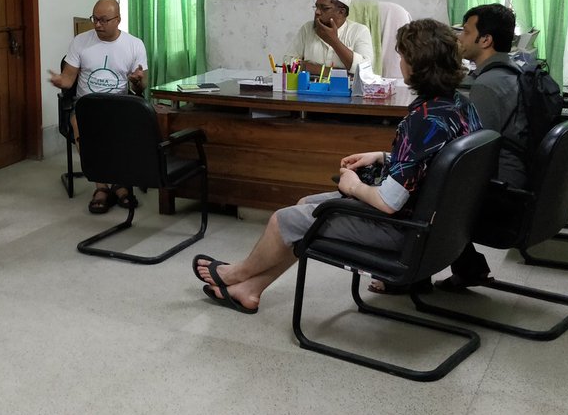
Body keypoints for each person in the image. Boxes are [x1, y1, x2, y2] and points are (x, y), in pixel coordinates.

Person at [192, 19, 481, 312]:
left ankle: (237, 273)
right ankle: (251, 289)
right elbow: (437, 163)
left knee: (285, 219)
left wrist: (354, 186)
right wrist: (384, 156)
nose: (400, 61)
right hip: (437, 225)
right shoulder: (459, 105)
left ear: (418, 66)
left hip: (404, 229)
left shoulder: (421, 120)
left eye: (403, 56)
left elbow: (389, 202)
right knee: (305, 204)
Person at [438, 4, 528, 290]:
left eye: (466, 32)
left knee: (425, 189)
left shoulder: (487, 86)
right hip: (520, 177)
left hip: (503, 190)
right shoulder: (513, 71)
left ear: (485, 40)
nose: (460, 39)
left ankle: (407, 278)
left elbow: (474, 153)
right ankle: (470, 270)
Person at [47, 0, 149, 214]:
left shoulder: (134, 45)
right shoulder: (80, 42)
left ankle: (120, 183)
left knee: (128, 129)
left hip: (119, 105)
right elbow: (68, 79)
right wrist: (60, 80)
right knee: (80, 126)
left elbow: (142, 88)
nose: (97, 25)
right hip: (87, 105)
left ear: (118, 20)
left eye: (103, 20)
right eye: (95, 19)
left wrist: (137, 81)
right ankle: (101, 186)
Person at [285, 0, 375, 75]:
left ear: (341, 12)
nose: (317, 12)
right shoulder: (307, 28)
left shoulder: (359, 31)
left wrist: (334, 41)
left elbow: (365, 69)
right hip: (310, 87)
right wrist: (334, 72)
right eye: (316, 7)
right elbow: (287, 62)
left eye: (325, 8)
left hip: (344, 89)